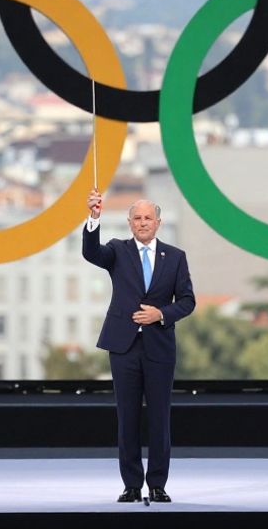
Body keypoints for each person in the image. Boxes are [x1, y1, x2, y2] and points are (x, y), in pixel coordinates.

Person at [83, 189, 196, 504]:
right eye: (137, 218)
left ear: (158, 223)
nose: (143, 223)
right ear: (130, 223)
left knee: (160, 418)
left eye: (148, 218)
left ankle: (157, 485)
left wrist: (160, 314)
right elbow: (91, 253)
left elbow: (187, 301)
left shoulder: (175, 257)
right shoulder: (117, 251)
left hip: (159, 347)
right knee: (127, 418)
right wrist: (94, 217)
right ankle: (131, 485)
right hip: (123, 346)